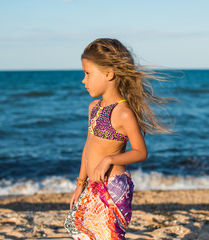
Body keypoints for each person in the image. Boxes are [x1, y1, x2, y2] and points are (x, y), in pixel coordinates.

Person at [64, 38, 172, 240]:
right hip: (92, 184)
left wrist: (109, 159)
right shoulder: (94, 107)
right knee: (84, 234)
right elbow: (88, 146)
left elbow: (141, 152)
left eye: (87, 73)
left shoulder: (123, 112)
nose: (83, 80)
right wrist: (80, 184)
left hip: (113, 186)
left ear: (108, 74)